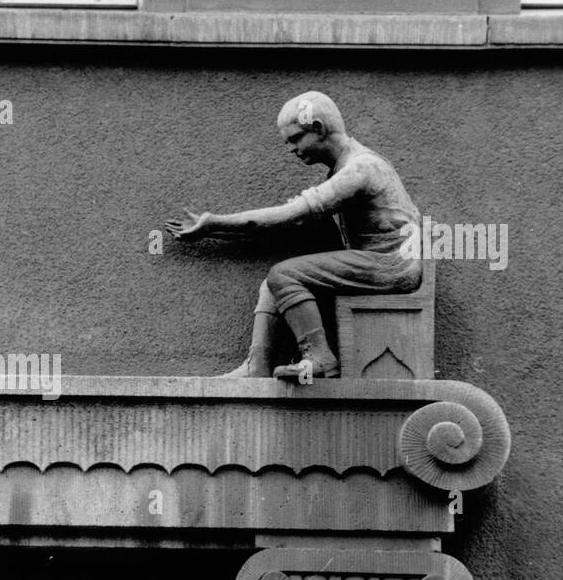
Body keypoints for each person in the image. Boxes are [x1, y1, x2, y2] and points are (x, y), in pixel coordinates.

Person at [167, 91, 421, 380]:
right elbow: (295, 219)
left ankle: (320, 359)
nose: (291, 148)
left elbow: (292, 214)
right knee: (273, 284)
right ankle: (257, 365)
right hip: (381, 260)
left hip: (391, 265)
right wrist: (222, 229)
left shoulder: (360, 169)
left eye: (296, 138)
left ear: (318, 128)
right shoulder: (349, 165)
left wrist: (213, 223)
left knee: (284, 275)